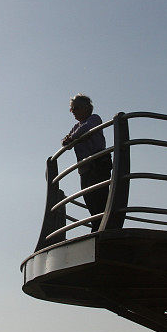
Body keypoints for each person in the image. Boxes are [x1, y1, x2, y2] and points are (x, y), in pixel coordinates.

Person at [62, 94, 112, 231]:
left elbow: (86, 129)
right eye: (72, 109)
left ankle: (103, 225)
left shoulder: (94, 118)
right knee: (88, 197)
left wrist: (71, 138)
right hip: (85, 168)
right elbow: (68, 143)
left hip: (98, 164)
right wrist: (68, 140)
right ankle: (96, 225)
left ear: (87, 108)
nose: (74, 112)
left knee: (100, 196)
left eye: (76, 108)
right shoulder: (75, 127)